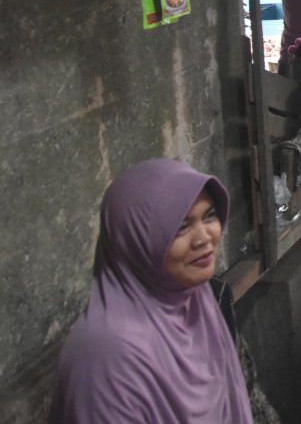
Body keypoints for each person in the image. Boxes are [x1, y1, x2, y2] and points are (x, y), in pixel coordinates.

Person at [51, 159, 254, 424]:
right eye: (181, 227)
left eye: (209, 216)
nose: (204, 237)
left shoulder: (199, 299)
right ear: (134, 241)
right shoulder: (104, 358)